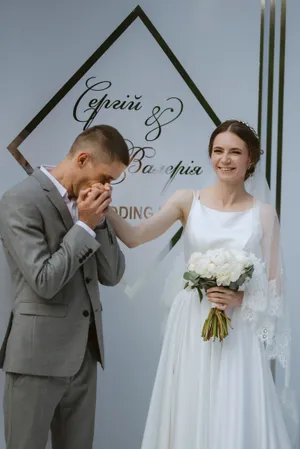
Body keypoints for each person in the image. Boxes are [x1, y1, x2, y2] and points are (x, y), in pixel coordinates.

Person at [106, 120, 297, 449]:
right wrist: (103, 206)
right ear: (210, 155)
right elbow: (136, 237)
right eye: (218, 151)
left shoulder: (264, 213)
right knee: (191, 402)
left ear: (250, 159)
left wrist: (241, 298)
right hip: (192, 322)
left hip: (239, 330)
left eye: (235, 152)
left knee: (234, 405)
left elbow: (275, 286)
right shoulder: (187, 200)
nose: (225, 158)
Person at [0, 124, 128, 449]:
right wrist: (84, 224)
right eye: (106, 178)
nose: (107, 187)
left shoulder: (92, 205)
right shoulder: (19, 200)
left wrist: (97, 223)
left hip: (84, 356)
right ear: (83, 159)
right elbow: (44, 281)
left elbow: (112, 274)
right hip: (35, 359)